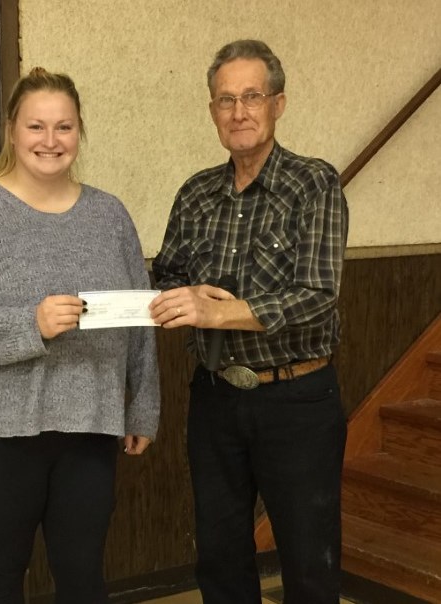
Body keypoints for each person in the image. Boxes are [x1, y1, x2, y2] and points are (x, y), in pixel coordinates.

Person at [0, 67, 160, 603]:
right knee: (1, 575)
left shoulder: (109, 214)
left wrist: (142, 406)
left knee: (82, 575)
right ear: (12, 130)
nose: (50, 142)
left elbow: (138, 318)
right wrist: (29, 325)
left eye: (64, 127)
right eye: (36, 127)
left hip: (90, 426)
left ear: (79, 132)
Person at [151, 40, 348, 604]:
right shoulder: (195, 193)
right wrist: (178, 295)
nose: (238, 111)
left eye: (252, 97)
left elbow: (317, 294)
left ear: (278, 104)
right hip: (213, 398)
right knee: (219, 555)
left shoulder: (313, 184)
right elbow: (164, 276)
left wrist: (218, 311)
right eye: (225, 99)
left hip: (296, 399)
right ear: (212, 110)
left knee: (309, 561)